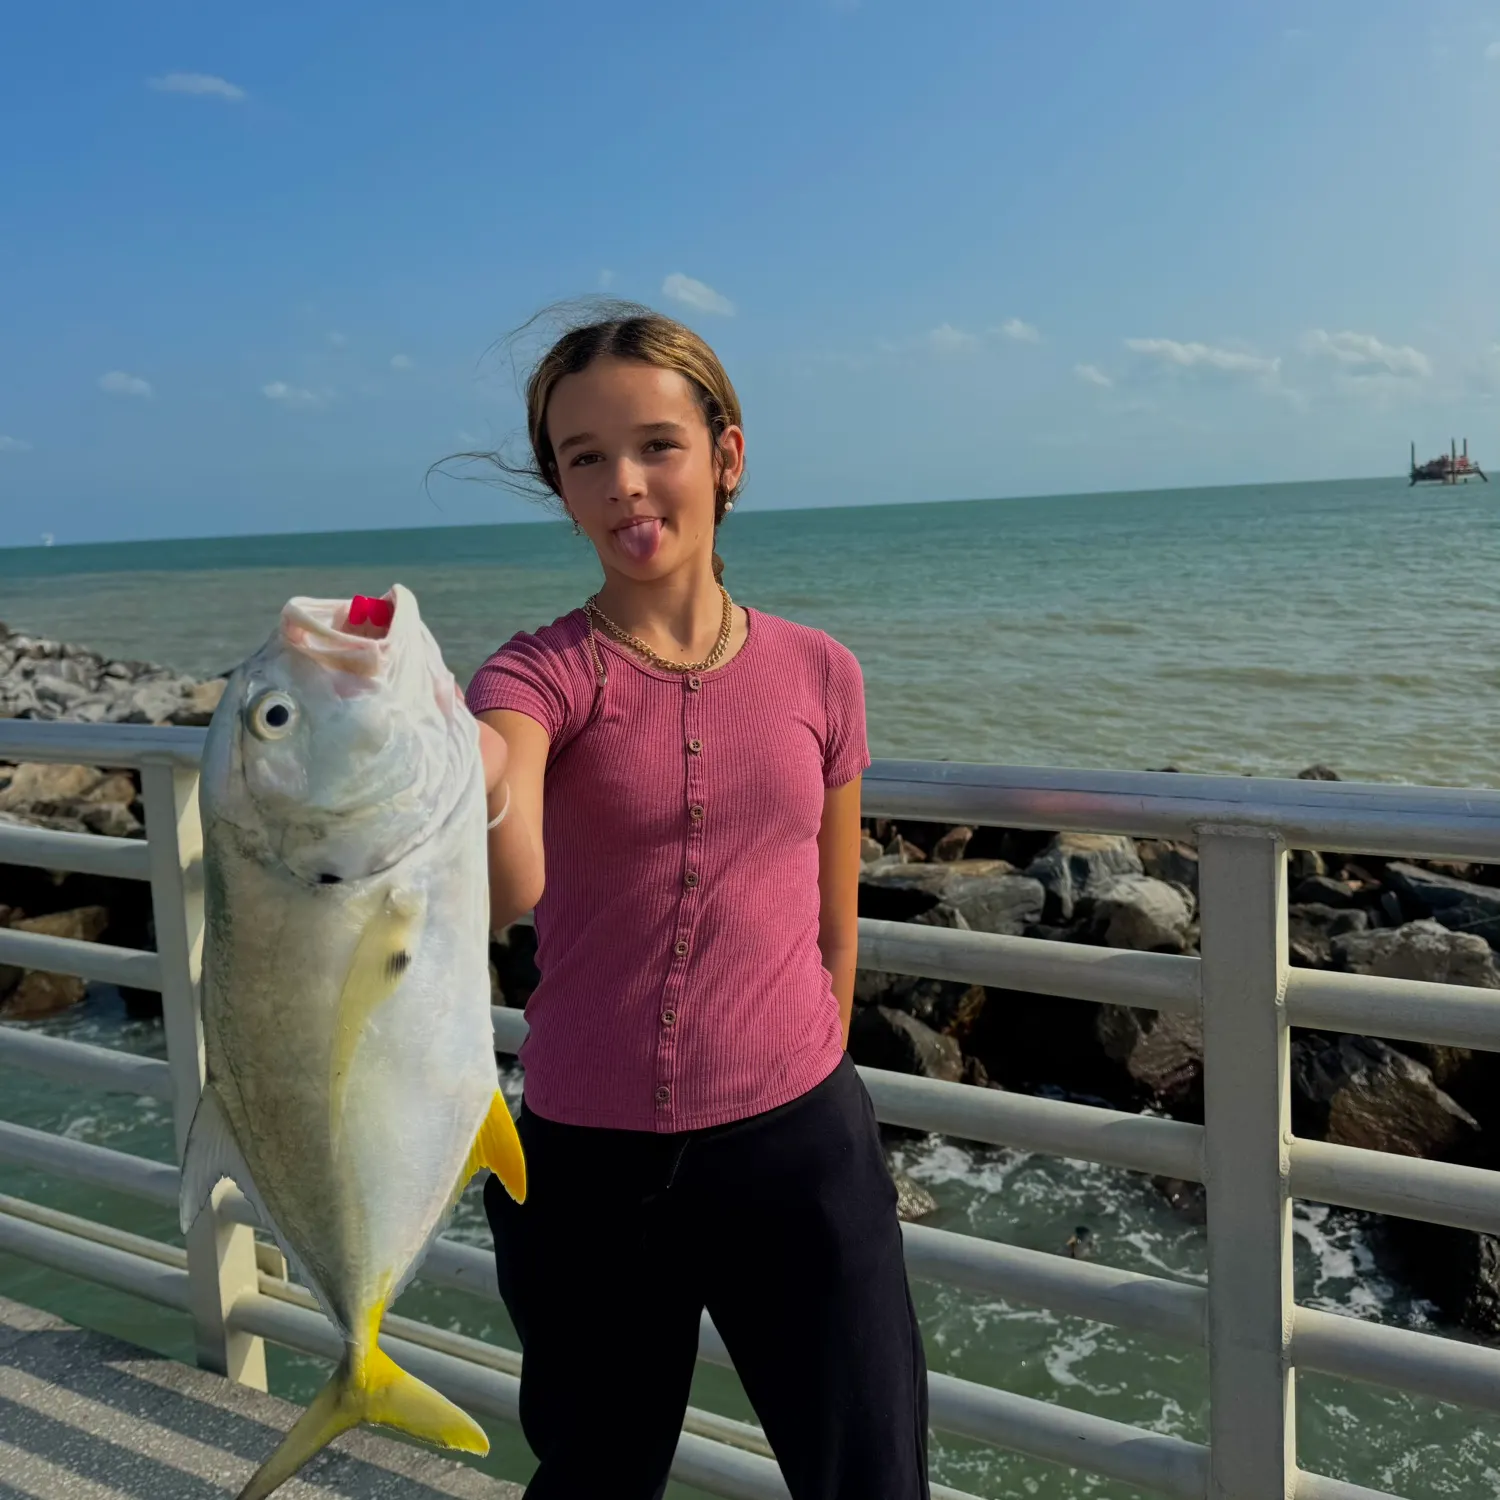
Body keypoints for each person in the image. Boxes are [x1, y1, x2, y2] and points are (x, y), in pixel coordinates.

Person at [462, 304, 930, 1500]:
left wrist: (810, 1063)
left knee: (868, 1478)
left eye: (655, 444)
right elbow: (510, 876)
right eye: (584, 459)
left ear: (727, 456)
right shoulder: (534, 671)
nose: (624, 484)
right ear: (559, 489)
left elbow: (835, 918)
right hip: (579, 1160)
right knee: (594, 1480)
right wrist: (433, 765)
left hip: (795, 1143)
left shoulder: (822, 671)